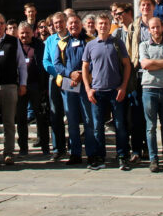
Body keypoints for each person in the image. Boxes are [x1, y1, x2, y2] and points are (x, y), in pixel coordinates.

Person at [82, 12, 132, 170]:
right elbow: (85, 67)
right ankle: (99, 157)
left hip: (115, 91)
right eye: (100, 23)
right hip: (97, 91)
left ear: (110, 25)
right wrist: (88, 89)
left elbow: (127, 65)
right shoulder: (90, 45)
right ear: (96, 26)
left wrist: (123, 86)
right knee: (97, 127)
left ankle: (123, 156)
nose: (103, 26)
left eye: (106, 23)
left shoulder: (117, 43)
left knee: (120, 125)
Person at [52, 14, 98, 165]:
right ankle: (75, 154)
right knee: (72, 121)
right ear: (67, 26)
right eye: (71, 23)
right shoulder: (62, 43)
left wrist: (82, 74)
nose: (74, 26)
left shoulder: (90, 41)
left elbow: (95, 61)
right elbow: (57, 64)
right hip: (69, 85)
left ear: (81, 24)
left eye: (76, 23)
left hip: (86, 84)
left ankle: (91, 153)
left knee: (88, 120)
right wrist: (70, 74)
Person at [0, 13, 28, 165]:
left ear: (5, 25)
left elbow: (21, 64)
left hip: (10, 86)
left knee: (9, 122)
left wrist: (22, 84)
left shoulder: (14, 41)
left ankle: (9, 152)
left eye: (2, 23)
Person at [139, 16, 163, 172]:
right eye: (153, 27)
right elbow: (145, 64)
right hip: (149, 89)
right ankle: (153, 159)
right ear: (149, 30)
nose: (156, 30)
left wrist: (154, 63)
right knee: (151, 127)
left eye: (158, 27)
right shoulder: (144, 45)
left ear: (162, 28)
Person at [15, 22, 50, 156]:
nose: (25, 35)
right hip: (20, 86)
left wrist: (44, 86)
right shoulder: (15, 45)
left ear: (32, 33)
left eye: (27, 32)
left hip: (36, 85)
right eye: (22, 33)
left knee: (41, 117)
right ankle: (23, 147)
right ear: (18, 34)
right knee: (21, 118)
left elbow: (44, 64)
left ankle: (45, 146)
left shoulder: (40, 45)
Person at [42, 12, 69, 161]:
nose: (58, 25)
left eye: (60, 22)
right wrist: (58, 74)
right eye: (55, 23)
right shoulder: (50, 40)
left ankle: (74, 147)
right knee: (55, 114)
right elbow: (46, 61)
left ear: (66, 22)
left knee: (71, 112)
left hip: (70, 79)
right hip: (55, 79)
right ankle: (58, 148)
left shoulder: (72, 38)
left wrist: (67, 74)